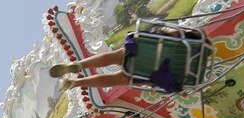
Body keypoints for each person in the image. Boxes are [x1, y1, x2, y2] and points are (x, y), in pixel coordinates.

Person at [49, 26, 207, 93]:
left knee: (114, 56)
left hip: (141, 52)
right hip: (143, 72)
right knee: (113, 79)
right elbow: (173, 85)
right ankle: (76, 83)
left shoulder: (181, 37)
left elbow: (162, 31)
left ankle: (78, 65)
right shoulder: (189, 75)